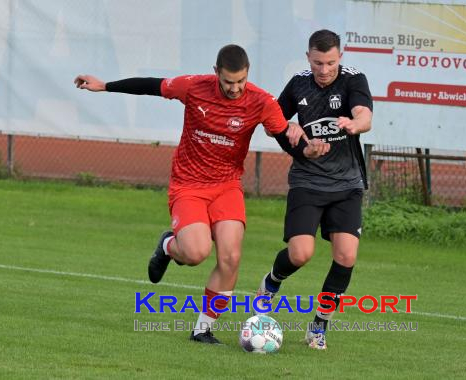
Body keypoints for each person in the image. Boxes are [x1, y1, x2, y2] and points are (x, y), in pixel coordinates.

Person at [74, 44, 329, 345]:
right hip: (189, 185)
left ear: (248, 74)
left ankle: (202, 329)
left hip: (227, 186)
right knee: (196, 253)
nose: (235, 89)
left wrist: (307, 151)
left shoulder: (260, 101)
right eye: (228, 82)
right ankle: (168, 245)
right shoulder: (195, 87)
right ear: (216, 73)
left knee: (231, 257)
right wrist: (105, 86)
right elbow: (151, 87)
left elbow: (285, 138)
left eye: (241, 81)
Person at [254, 30, 373, 350]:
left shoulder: (353, 80)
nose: (324, 69)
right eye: (318, 62)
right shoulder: (298, 84)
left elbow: (365, 115)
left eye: (331, 62)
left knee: (346, 255)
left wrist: (353, 124)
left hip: (346, 184)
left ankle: (318, 327)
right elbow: (271, 121)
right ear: (308, 57)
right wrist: (288, 127)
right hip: (307, 182)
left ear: (340, 57)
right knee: (300, 254)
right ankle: (271, 283)